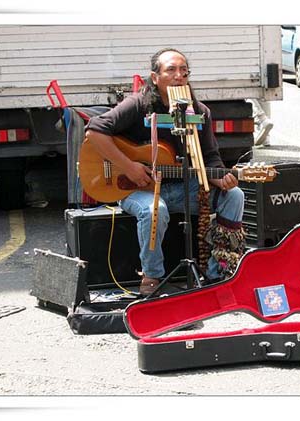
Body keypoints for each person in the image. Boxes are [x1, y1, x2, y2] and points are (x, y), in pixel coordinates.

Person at [85, 48, 246, 295]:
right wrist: (130, 167)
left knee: (235, 196)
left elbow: (210, 155)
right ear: (155, 77)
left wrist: (219, 175)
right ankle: (152, 275)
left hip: (181, 187)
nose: (178, 76)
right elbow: (94, 131)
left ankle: (218, 273)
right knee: (154, 210)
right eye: (171, 70)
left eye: (184, 71)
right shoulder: (138, 104)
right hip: (135, 187)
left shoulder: (199, 112)